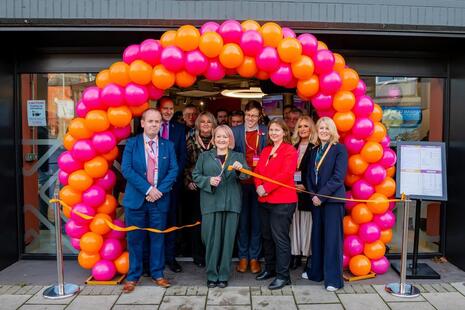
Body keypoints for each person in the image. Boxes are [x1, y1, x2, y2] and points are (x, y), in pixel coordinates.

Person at [121, 108, 178, 293]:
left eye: (157, 121)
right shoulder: (132, 143)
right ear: (143, 123)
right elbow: (127, 170)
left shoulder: (168, 146)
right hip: (137, 200)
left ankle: (158, 274)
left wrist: (158, 191)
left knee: (157, 238)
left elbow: (173, 170)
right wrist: (148, 189)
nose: (154, 124)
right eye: (151, 121)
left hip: (158, 200)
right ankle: (133, 276)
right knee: (135, 239)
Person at [192, 125, 249, 288]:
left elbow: (247, 175)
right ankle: (211, 274)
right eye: (218, 136)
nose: (222, 139)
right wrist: (207, 181)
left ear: (230, 139)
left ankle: (223, 275)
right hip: (210, 203)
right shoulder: (204, 156)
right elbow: (195, 175)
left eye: (225, 137)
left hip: (232, 203)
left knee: (227, 241)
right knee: (210, 240)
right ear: (214, 139)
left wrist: (240, 170)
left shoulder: (237, 156)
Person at [303, 116, 348, 292]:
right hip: (316, 201)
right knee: (317, 238)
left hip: (332, 202)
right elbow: (308, 174)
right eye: (321, 128)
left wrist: (321, 196)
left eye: (326, 128)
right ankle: (316, 273)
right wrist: (313, 195)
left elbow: (338, 178)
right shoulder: (314, 150)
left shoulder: (339, 150)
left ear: (332, 131)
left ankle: (333, 280)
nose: (323, 131)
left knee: (332, 241)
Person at [254, 118, 297, 290]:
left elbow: (286, 174)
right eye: (271, 130)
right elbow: (257, 171)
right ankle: (270, 269)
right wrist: (259, 187)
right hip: (264, 200)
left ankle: (283, 276)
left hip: (283, 202)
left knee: (280, 239)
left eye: (277, 130)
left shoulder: (290, 150)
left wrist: (266, 188)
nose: (273, 133)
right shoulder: (266, 150)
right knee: (267, 236)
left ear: (284, 132)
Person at [232, 100, 268, 274]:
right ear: (244, 114)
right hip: (240, 183)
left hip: (259, 184)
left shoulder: (266, 132)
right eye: (248, 115)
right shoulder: (235, 131)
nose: (251, 119)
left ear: (259, 115)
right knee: (242, 221)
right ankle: (243, 257)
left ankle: (254, 257)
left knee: (257, 221)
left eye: (254, 115)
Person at [158, 96, 187, 273]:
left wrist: (173, 176)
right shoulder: (148, 126)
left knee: (171, 221)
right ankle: (156, 259)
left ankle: (170, 258)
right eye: (165, 109)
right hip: (152, 186)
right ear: (158, 109)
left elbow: (183, 155)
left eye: (171, 108)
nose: (168, 112)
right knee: (154, 221)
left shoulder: (179, 129)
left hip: (173, 185)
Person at [184, 111, 217, 267]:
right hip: (195, 186)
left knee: (212, 223)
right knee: (197, 223)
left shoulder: (219, 139)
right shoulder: (189, 139)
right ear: (198, 124)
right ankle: (198, 256)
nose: (205, 124)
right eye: (202, 121)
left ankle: (212, 254)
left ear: (213, 125)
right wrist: (187, 181)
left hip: (213, 188)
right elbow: (184, 163)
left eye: (209, 122)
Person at [289, 116, 317, 270]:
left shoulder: (315, 147)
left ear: (311, 128)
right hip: (292, 192)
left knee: (307, 224)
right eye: (300, 126)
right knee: (294, 224)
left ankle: (308, 255)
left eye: (306, 126)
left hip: (307, 192)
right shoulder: (293, 147)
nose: (303, 129)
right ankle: (295, 254)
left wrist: (306, 186)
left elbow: (315, 172)